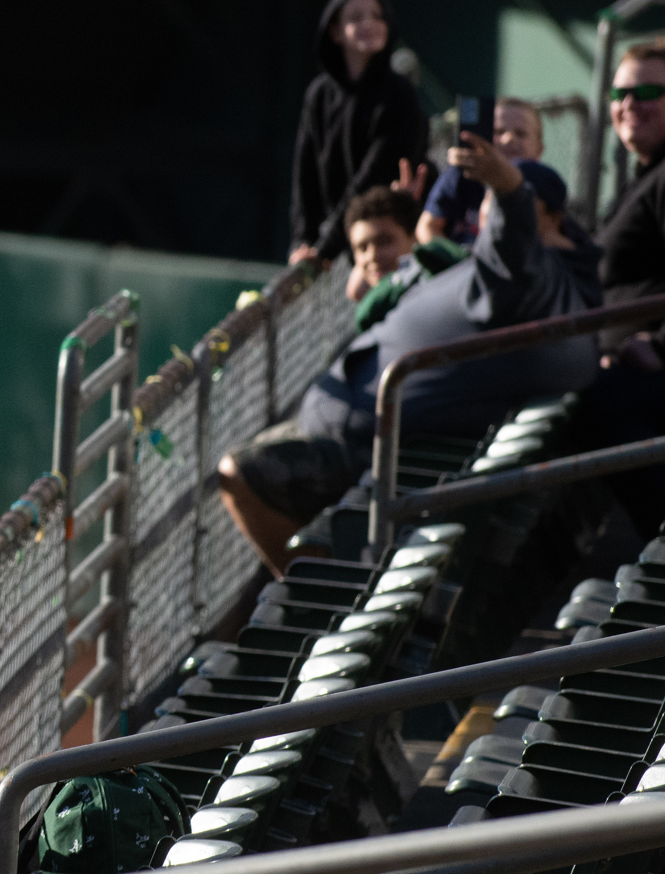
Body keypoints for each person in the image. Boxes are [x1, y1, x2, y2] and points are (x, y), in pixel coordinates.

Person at [222, 136, 602, 574]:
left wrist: (510, 189)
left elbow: (514, 248)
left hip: (377, 452)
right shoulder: (532, 282)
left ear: (552, 219)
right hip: (354, 425)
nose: (485, 214)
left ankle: (315, 598)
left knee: (237, 473)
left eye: (492, 206)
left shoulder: (534, 276)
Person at [577, 34, 665, 535]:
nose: (629, 105)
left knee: (598, 407)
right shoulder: (661, 167)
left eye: (647, 93)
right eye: (619, 95)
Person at [289, 0, 430, 265]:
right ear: (335, 31)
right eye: (356, 17)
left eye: (378, 16)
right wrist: (302, 242)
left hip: (387, 242)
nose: (369, 23)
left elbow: (376, 175)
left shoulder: (400, 94)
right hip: (339, 243)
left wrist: (324, 247)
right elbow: (305, 177)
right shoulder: (318, 95)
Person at [418, 98, 548, 245]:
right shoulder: (461, 175)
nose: (508, 139)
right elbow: (426, 228)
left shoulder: (545, 189)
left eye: (521, 133)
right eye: (498, 131)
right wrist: (454, 259)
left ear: (539, 149)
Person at [342, 186, 468, 332]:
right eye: (362, 248)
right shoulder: (370, 316)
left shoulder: (449, 281)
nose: (372, 256)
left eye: (384, 241)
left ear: (414, 237)